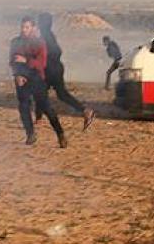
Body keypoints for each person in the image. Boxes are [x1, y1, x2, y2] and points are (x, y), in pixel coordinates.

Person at [10, 17, 66, 148]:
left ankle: (60, 134)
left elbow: (41, 63)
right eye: (22, 27)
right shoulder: (15, 42)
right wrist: (17, 75)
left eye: (27, 27)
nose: (24, 30)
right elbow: (12, 61)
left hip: (37, 79)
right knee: (23, 107)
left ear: (33, 28)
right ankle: (30, 134)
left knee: (46, 108)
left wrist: (26, 61)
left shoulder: (39, 43)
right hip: (22, 79)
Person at [36, 13, 94, 131]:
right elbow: (58, 52)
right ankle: (85, 111)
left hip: (50, 69)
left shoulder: (45, 37)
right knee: (61, 94)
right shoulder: (49, 35)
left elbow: (53, 52)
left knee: (40, 92)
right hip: (56, 67)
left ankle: (38, 119)